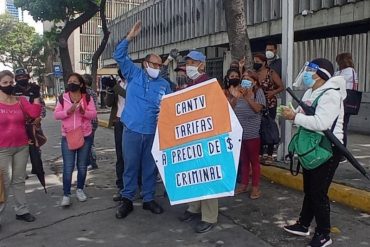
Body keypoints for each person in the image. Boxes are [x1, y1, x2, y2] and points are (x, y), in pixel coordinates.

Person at [281, 58, 345, 247]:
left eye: (310, 70)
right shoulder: (311, 91)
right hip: (312, 146)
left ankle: (324, 233)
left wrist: (295, 116)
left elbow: (321, 123)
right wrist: (291, 114)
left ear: (319, 74)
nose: (306, 73)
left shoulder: (331, 95)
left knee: (318, 193)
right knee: (310, 190)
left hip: (327, 149)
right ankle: (303, 224)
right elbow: (302, 116)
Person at [113, 21, 171, 219]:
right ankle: (127, 199)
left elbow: (171, 105)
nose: (157, 67)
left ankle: (148, 199)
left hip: (153, 132)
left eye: (160, 65)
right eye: (154, 64)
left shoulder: (164, 84)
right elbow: (118, 55)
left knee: (149, 167)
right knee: (130, 165)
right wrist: (129, 38)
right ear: (146, 64)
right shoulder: (134, 74)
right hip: (131, 129)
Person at [178, 50, 218, 233]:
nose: (189, 66)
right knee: (194, 174)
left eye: (193, 62)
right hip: (191, 137)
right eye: (188, 63)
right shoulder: (191, 83)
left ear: (202, 64)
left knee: (207, 175)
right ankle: (194, 208)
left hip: (206, 136)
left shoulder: (209, 84)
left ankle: (209, 216)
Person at [0, 70, 41, 229]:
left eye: (11, 82)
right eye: (5, 83)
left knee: (18, 180)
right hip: (2, 148)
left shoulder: (20, 100)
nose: (9, 85)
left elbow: (34, 113)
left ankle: (21, 210)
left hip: (21, 146)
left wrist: (36, 95)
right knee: (3, 183)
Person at [54, 73, 97, 207]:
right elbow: (56, 115)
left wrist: (84, 112)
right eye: (69, 81)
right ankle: (66, 194)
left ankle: (80, 189)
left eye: (74, 81)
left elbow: (94, 114)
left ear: (81, 84)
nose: (71, 83)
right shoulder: (63, 98)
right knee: (68, 166)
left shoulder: (87, 98)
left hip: (85, 135)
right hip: (68, 136)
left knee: (82, 165)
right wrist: (69, 111)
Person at [227, 69, 266, 199]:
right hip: (239, 135)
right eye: (244, 79)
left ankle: (255, 188)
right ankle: (243, 185)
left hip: (252, 134)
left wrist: (248, 97)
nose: (245, 81)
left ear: (254, 82)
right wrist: (235, 97)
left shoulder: (258, 92)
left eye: (249, 79)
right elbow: (231, 108)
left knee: (254, 162)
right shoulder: (239, 92)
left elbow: (257, 109)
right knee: (243, 161)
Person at [13, 68, 46, 179]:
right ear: (16, 79)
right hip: (19, 124)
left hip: (34, 123)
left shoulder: (34, 89)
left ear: (28, 77)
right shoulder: (13, 90)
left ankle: (37, 168)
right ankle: (22, 171)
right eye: (19, 77)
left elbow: (42, 105)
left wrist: (39, 118)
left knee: (36, 147)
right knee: (21, 148)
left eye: (24, 76)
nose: (22, 78)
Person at [254, 53, 284, 165]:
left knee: (270, 127)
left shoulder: (271, 73)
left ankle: (270, 154)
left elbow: (281, 86)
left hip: (270, 104)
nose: (256, 63)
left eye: (258, 61)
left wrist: (273, 92)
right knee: (259, 128)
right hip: (258, 104)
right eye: (254, 61)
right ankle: (260, 153)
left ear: (264, 62)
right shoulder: (255, 74)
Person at [105, 70, 126, 201]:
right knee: (120, 156)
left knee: (134, 155)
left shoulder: (135, 84)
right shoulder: (117, 84)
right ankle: (121, 186)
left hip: (132, 122)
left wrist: (115, 87)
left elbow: (129, 96)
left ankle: (138, 184)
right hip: (118, 121)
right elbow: (108, 103)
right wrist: (110, 90)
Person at [334, 53, 358, 147]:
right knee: (340, 126)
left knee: (342, 127)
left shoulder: (349, 71)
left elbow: (336, 81)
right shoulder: (343, 71)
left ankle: (342, 152)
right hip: (341, 102)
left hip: (345, 102)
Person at [82, 74, 98, 170]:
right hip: (94, 120)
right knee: (91, 141)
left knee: (87, 142)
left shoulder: (84, 93)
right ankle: (92, 160)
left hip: (87, 120)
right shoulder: (93, 92)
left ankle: (91, 161)